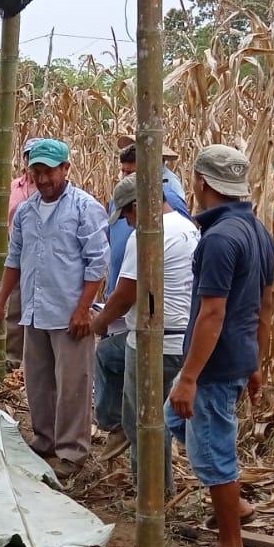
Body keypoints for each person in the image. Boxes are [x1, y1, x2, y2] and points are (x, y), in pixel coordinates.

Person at [167, 145, 274, 547]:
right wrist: (255, 361)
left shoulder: (218, 239)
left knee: (214, 452)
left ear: (200, 181)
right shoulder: (257, 231)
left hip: (213, 364)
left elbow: (212, 313)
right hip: (235, 356)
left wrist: (190, 376)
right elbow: (265, 305)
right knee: (175, 420)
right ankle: (236, 506)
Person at [0, 139, 107, 476]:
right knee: (38, 380)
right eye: (35, 172)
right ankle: (45, 440)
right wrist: (0, 305)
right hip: (35, 309)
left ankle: (72, 451)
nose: (42, 180)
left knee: (73, 384)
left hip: (70, 313)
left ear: (65, 169)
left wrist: (83, 309)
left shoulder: (84, 208)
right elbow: (15, 259)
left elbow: (97, 263)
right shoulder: (27, 212)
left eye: (48, 172)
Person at [88, 173, 200, 491]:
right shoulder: (187, 228)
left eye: (126, 214)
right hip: (183, 338)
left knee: (145, 421)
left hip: (156, 342)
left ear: (137, 206)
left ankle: (152, 492)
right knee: (109, 354)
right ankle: (114, 425)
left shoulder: (148, 236)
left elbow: (125, 295)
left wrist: (98, 323)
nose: (127, 221)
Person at [1, 140, 43, 373]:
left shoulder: (49, 188)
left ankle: (37, 361)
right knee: (15, 306)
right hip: (17, 252)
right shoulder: (12, 188)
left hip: (45, 254)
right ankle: (12, 358)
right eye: (28, 155)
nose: (30, 160)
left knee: (42, 308)